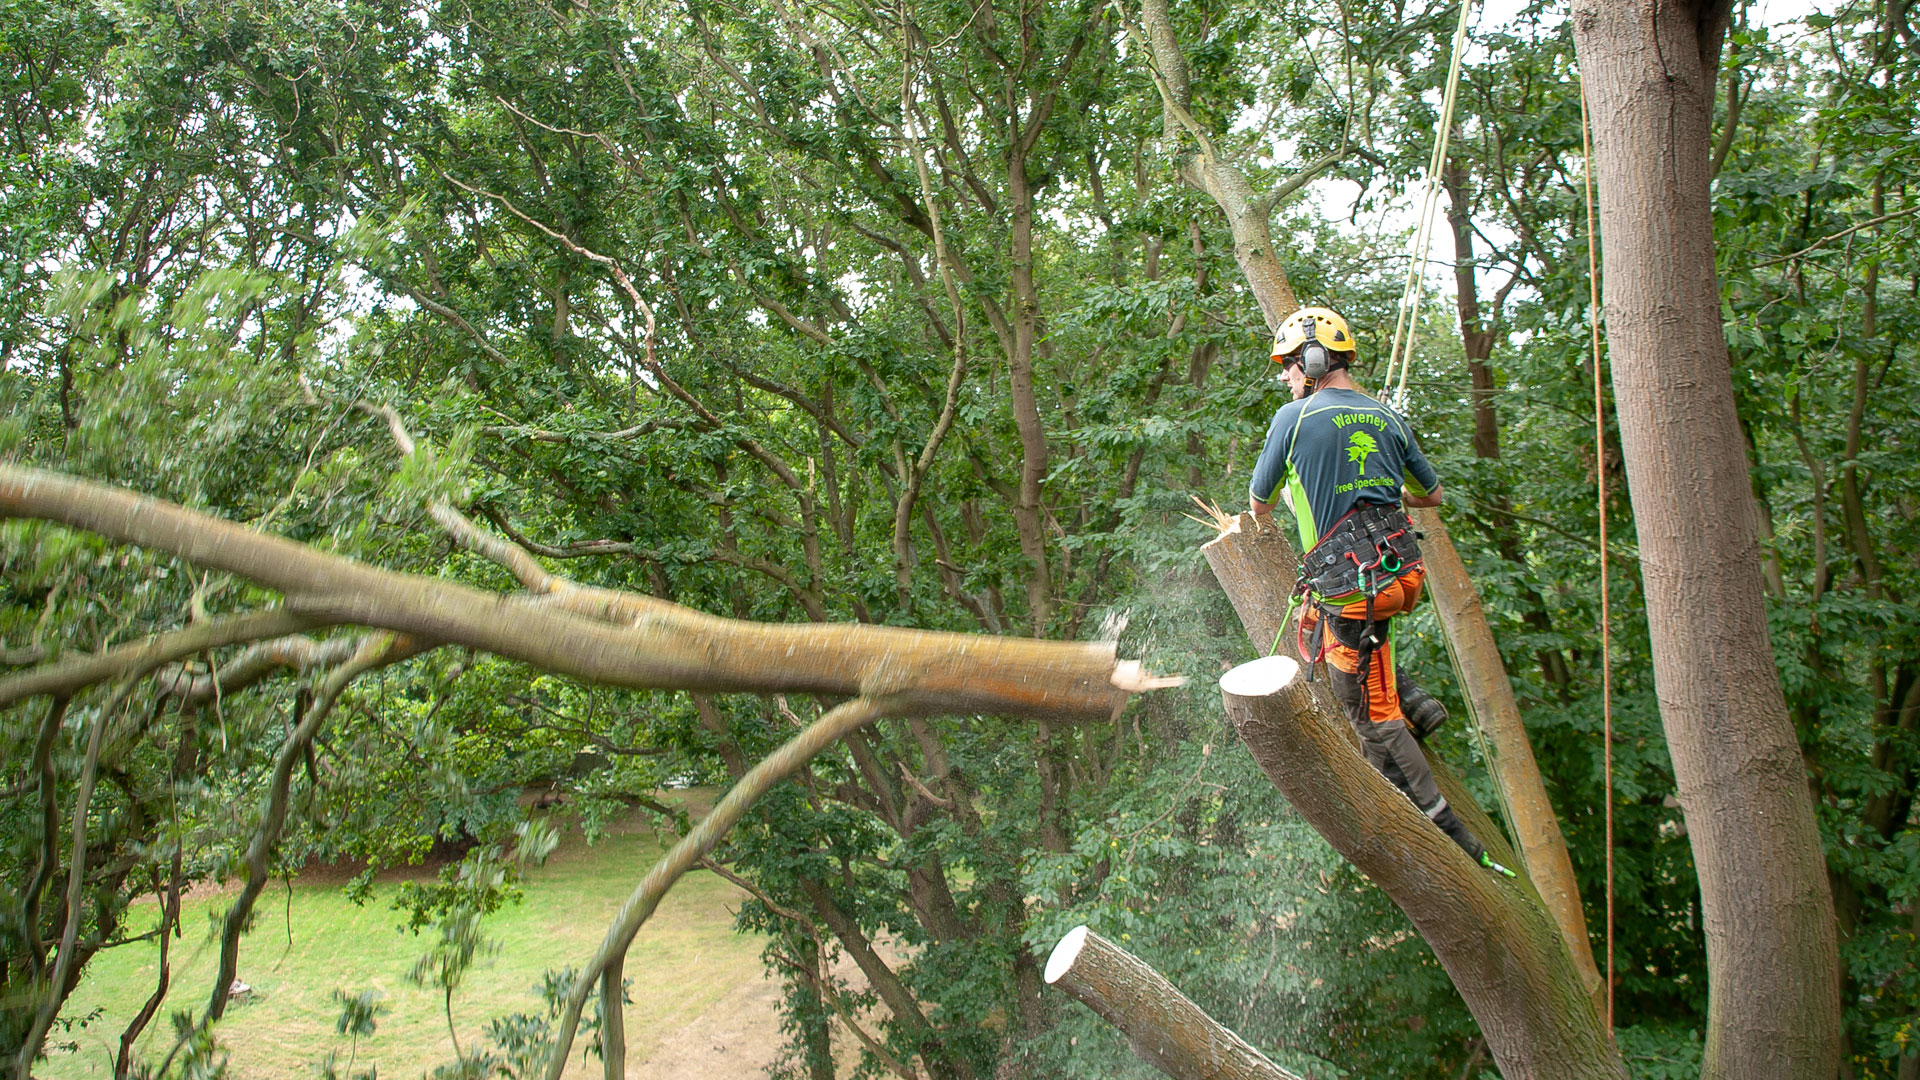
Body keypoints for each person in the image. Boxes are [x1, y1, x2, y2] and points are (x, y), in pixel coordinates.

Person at [1247, 306, 1513, 877]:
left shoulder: (1291, 420)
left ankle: (1437, 823)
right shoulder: (1388, 417)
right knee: (1348, 646)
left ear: (1312, 361)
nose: (1287, 380)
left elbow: (1258, 506)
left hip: (1351, 590)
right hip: (1402, 575)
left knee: (1367, 711)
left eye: (1290, 369)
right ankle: (1422, 706)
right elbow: (1432, 497)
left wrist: (1302, 492)